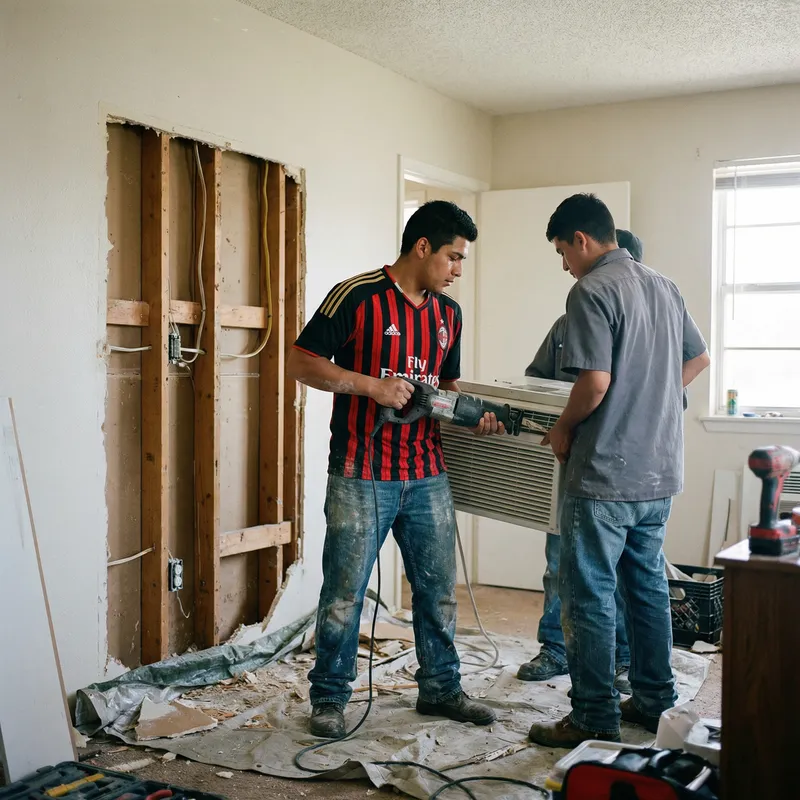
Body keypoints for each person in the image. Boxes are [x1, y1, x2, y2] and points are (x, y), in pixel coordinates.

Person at [287, 201, 503, 739]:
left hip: (427, 472)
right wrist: (371, 385)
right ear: (423, 247)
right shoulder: (356, 296)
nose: (457, 270)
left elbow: (445, 387)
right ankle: (330, 699)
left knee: (437, 589)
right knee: (344, 592)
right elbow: (298, 361)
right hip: (362, 473)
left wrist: (473, 416)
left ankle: (441, 689)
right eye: (454, 257)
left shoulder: (448, 315)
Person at [527, 194, 710, 749]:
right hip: (659, 472)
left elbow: (595, 382)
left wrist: (561, 429)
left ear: (581, 240)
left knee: (590, 595)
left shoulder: (591, 289)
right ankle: (654, 700)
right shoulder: (663, 285)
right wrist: (653, 398)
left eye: (563, 251)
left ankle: (592, 713)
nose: (564, 264)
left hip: (605, 473)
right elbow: (699, 358)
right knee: (647, 588)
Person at [516, 230, 643, 693]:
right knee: (562, 564)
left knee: (625, 576)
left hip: (628, 474)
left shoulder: (651, 330)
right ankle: (555, 648)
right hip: (572, 468)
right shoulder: (567, 325)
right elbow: (535, 384)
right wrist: (557, 425)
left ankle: (622, 662)